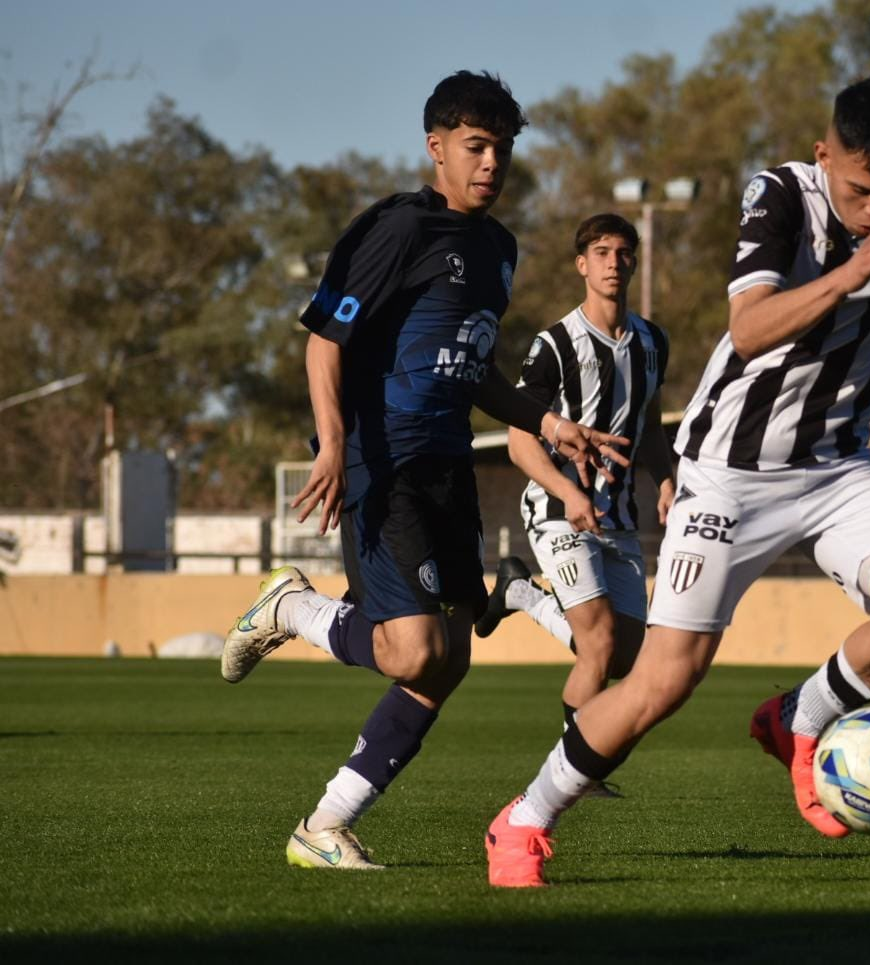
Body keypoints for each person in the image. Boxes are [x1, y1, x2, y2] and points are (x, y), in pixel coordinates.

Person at [484, 75, 870, 887]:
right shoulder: (781, 195)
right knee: (664, 679)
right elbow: (748, 328)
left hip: (835, 465)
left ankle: (798, 718)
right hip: (729, 473)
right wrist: (849, 272)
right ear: (825, 157)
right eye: (858, 191)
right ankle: (523, 818)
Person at [220, 70, 627, 871]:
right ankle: (295, 609)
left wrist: (542, 419)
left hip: (444, 462)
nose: (490, 164)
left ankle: (324, 826)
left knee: (449, 658)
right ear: (436, 147)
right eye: (475, 147)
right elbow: (324, 339)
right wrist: (334, 444)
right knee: (412, 650)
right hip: (383, 457)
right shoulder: (397, 230)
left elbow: (468, 365)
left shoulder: (499, 250)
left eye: (502, 150)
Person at [475, 213, 673, 748]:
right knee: (599, 642)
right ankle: (574, 766)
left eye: (623, 252)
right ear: (582, 265)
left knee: (629, 657)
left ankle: (521, 593)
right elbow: (520, 440)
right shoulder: (557, 344)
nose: (613, 262)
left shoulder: (654, 342)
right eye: (601, 252)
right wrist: (567, 492)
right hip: (558, 509)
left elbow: (648, 429)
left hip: (621, 518)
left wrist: (669, 478)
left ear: (635, 260)